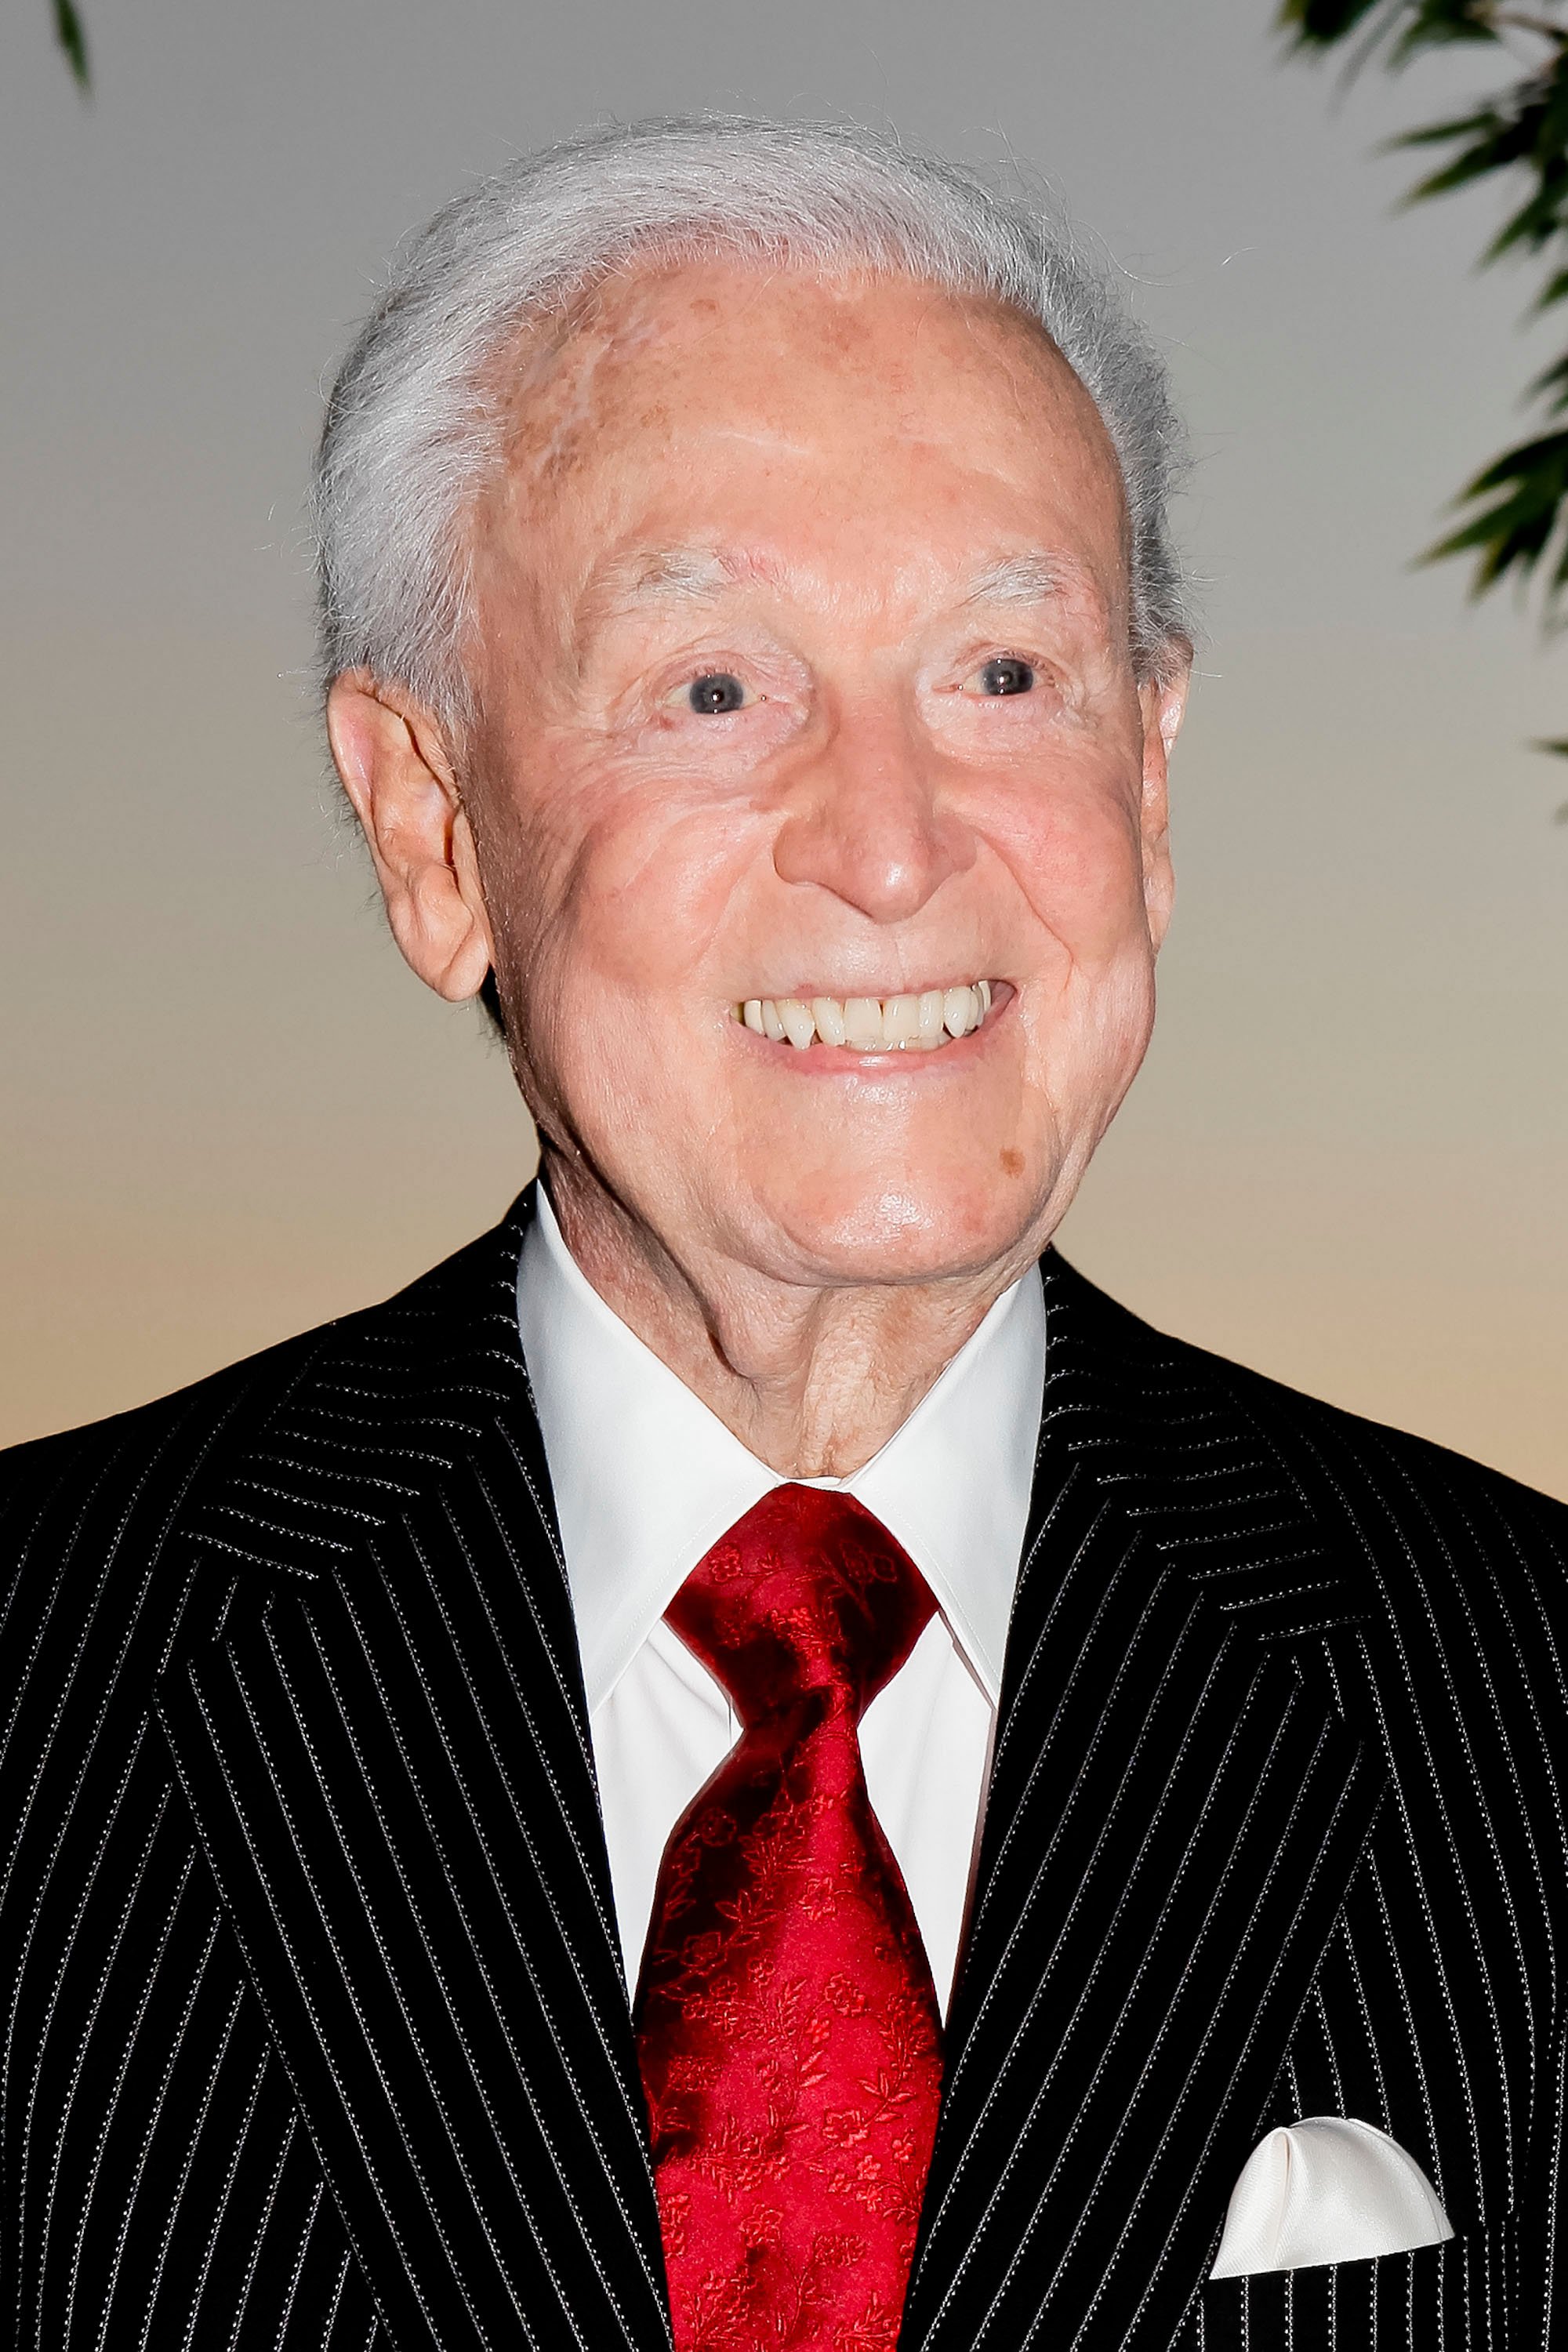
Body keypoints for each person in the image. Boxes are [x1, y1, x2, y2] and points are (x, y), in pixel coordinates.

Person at [1, 115, 1563, 2352]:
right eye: (718, 690)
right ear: (430, 827)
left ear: (1152, 771)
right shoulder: (44, 1699)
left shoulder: (1522, 1705)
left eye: (1005, 677)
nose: (894, 846)